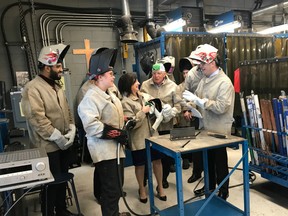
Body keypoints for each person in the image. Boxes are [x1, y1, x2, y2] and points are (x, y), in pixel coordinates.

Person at [21, 43, 78, 216]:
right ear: (47, 67)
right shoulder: (32, 88)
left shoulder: (56, 86)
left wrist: (71, 128)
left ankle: (61, 210)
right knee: (50, 184)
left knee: (61, 180)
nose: (61, 69)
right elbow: (37, 119)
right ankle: (49, 212)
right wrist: (57, 137)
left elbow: (66, 110)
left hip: (63, 144)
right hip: (48, 147)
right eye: (58, 66)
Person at [77, 48, 131, 216]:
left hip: (114, 150)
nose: (113, 76)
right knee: (110, 191)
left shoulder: (108, 93)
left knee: (117, 187)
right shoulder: (90, 98)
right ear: (99, 77)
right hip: (104, 152)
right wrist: (116, 133)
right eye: (110, 74)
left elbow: (113, 115)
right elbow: (92, 126)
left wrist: (125, 121)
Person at [183, 44, 235, 200]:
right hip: (206, 129)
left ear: (212, 62)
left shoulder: (224, 82)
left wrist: (201, 101)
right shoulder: (204, 80)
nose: (200, 67)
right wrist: (189, 107)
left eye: (202, 63)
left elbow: (221, 107)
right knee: (208, 161)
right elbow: (196, 98)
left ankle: (223, 190)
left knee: (219, 162)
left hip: (219, 131)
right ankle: (210, 186)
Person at [118, 72, 167, 203]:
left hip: (153, 136)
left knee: (157, 162)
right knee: (140, 165)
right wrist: (142, 112)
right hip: (138, 139)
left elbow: (157, 106)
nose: (139, 84)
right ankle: (142, 189)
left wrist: (161, 109)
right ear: (128, 85)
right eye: (135, 82)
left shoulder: (144, 96)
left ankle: (160, 187)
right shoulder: (125, 103)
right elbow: (131, 124)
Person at [140, 63, 181, 189]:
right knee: (148, 152)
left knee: (165, 156)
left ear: (165, 74)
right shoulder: (145, 85)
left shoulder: (173, 87)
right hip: (150, 125)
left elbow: (178, 106)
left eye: (158, 74)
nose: (156, 76)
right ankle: (145, 178)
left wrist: (170, 113)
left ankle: (163, 179)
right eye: (153, 73)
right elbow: (140, 101)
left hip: (166, 126)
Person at [183, 48, 206, 184]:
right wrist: (187, 109)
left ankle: (213, 175)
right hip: (196, 114)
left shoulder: (211, 72)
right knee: (197, 145)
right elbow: (186, 92)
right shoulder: (192, 74)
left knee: (212, 146)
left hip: (210, 114)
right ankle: (197, 172)